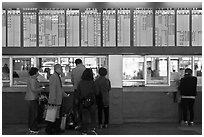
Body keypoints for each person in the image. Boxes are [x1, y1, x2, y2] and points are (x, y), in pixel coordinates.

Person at [45, 64, 68, 134]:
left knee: (55, 116)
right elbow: (53, 89)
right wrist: (53, 100)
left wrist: (64, 94)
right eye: (60, 68)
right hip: (55, 101)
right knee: (53, 117)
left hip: (57, 100)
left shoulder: (56, 77)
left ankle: (55, 129)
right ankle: (51, 130)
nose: (61, 70)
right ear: (56, 69)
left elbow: (59, 88)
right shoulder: (54, 77)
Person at [76, 68, 98, 135]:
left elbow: (78, 93)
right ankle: (92, 129)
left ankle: (84, 130)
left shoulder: (80, 83)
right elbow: (96, 92)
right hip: (92, 102)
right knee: (93, 116)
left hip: (83, 102)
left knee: (84, 117)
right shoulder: (93, 83)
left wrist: (81, 98)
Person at [25, 67, 44, 134]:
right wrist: (41, 89)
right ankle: (33, 128)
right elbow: (33, 89)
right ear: (35, 73)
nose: (38, 73)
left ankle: (31, 127)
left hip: (30, 98)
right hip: (32, 98)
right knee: (34, 114)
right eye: (37, 72)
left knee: (32, 114)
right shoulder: (32, 80)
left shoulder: (32, 79)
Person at [71, 59, 86, 129]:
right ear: (81, 62)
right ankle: (84, 123)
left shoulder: (74, 70)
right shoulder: (85, 69)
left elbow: (72, 81)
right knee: (84, 107)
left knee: (76, 108)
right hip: (84, 91)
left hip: (76, 91)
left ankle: (78, 123)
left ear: (75, 63)